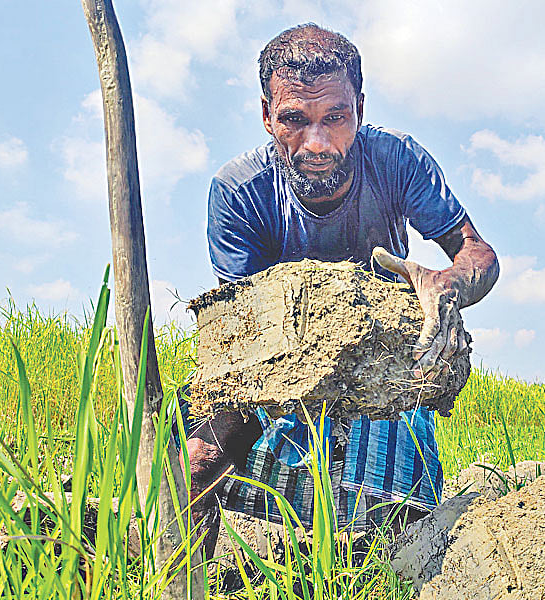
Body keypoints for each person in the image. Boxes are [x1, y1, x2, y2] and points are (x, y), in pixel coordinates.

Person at [183, 23, 499, 556]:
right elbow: (247, 333)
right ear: (266, 115)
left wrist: (446, 285)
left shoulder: (396, 161)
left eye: (336, 118)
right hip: (278, 365)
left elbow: (478, 254)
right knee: (195, 461)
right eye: (294, 120)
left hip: (379, 372)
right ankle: (180, 581)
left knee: (397, 516)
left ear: (360, 108)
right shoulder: (239, 191)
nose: (318, 144)